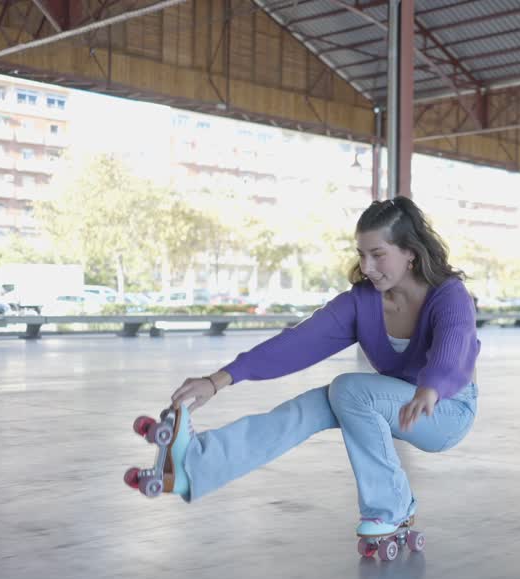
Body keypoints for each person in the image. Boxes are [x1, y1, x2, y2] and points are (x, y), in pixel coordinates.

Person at [159, 196, 481, 539]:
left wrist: (431, 387)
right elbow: (297, 344)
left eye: (378, 255)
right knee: (307, 408)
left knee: (349, 390)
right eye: (362, 255)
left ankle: (391, 506)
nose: (368, 267)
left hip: (447, 409)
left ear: (410, 252)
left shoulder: (448, 295)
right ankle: (195, 463)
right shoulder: (363, 302)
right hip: (396, 402)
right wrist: (216, 381)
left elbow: (453, 346)